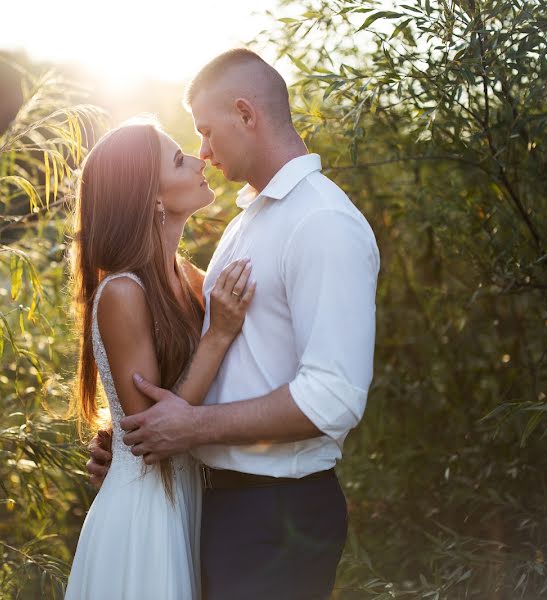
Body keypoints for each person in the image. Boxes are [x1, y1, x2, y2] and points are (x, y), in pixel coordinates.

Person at [86, 49, 380, 599]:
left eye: (204, 131)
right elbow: (181, 344)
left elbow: (334, 398)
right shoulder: (248, 222)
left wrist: (186, 430)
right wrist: (132, 447)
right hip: (212, 503)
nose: (202, 152)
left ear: (246, 114)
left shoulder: (322, 223)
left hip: (276, 514)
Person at [64, 120, 256, 599]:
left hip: (187, 496)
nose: (199, 160)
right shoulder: (122, 292)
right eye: (178, 160)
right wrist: (218, 335)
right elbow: (152, 433)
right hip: (144, 511)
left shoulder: (189, 278)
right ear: (150, 196)